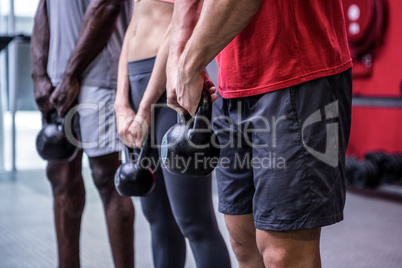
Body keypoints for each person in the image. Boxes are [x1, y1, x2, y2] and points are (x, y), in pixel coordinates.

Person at [166, 0, 353, 267]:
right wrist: (178, 58)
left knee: (283, 256)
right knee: (244, 244)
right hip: (229, 85)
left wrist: (188, 66)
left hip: (294, 69)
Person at [114, 0, 231, 267]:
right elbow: (132, 26)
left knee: (194, 220)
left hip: (171, 86)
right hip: (136, 84)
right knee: (158, 219)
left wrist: (145, 105)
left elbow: (180, 25)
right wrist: (121, 101)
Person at [31, 0, 134, 267]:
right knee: (61, 177)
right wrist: (39, 73)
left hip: (99, 74)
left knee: (109, 179)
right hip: (56, 80)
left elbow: (108, 6)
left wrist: (70, 75)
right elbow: (43, 9)